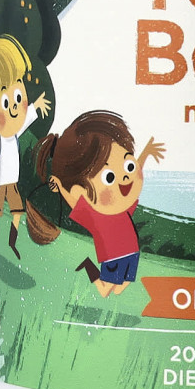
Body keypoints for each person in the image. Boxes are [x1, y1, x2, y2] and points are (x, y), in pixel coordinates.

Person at [27, 111, 165, 297]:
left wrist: (145, 154)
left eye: (129, 165)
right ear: (80, 191)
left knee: (120, 288)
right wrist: (60, 187)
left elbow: (132, 174)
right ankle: (88, 266)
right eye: (109, 177)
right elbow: (74, 200)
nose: (125, 177)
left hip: (132, 253)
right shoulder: (95, 216)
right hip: (113, 256)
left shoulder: (122, 208)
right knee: (106, 290)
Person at [0, 35, 50, 258]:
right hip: (1, 182)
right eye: (6, 103)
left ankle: (11, 242)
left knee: (17, 212)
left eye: (18, 97)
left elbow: (24, 120)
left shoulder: (13, 135)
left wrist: (35, 107)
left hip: (12, 182)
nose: (14, 108)